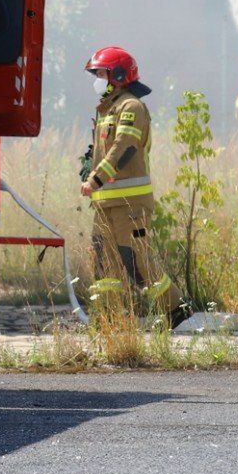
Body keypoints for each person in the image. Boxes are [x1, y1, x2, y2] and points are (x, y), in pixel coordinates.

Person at [79, 46, 179, 319]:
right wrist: (90, 167)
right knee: (104, 264)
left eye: (100, 73)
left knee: (138, 260)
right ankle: (111, 319)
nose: (97, 79)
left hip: (129, 203)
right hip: (105, 203)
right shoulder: (107, 110)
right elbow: (106, 150)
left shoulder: (131, 107)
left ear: (119, 75)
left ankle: (176, 312)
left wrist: (96, 178)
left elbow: (125, 147)